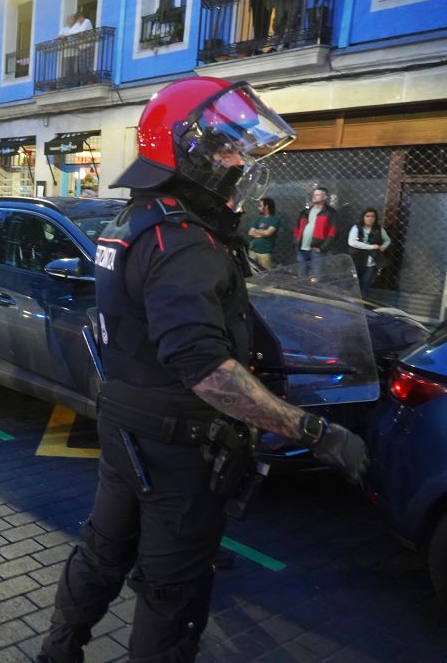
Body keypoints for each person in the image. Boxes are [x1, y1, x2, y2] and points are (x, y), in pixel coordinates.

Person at [36, 77, 368, 663]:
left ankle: (58, 651)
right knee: (172, 590)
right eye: (225, 149)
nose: (237, 161)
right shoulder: (183, 239)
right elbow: (207, 370)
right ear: (185, 154)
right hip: (176, 442)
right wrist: (313, 430)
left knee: (103, 550)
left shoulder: (137, 219)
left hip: (128, 420)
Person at [294, 187, 337, 277]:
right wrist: (296, 242)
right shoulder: (305, 212)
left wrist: (322, 248)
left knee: (317, 276)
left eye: (317, 195)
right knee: (301, 275)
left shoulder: (330, 213)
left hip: (317, 250)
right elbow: (297, 229)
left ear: (325, 197)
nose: (314, 196)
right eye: (313, 195)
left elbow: (333, 233)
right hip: (302, 249)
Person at [348, 208, 391, 297]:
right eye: (367, 216)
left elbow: (387, 240)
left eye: (372, 216)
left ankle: (362, 302)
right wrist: (370, 247)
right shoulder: (356, 228)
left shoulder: (379, 229)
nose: (370, 218)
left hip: (371, 261)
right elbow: (352, 242)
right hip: (357, 260)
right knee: (354, 284)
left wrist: (383, 247)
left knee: (366, 283)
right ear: (363, 217)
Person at [247, 196, 281, 269]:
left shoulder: (275, 219)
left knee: (265, 272)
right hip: (253, 250)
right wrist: (262, 232)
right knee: (251, 271)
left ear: (266, 206)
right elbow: (250, 232)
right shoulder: (259, 218)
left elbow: (268, 233)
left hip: (265, 252)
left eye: (260, 205)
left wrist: (256, 231)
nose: (258, 207)